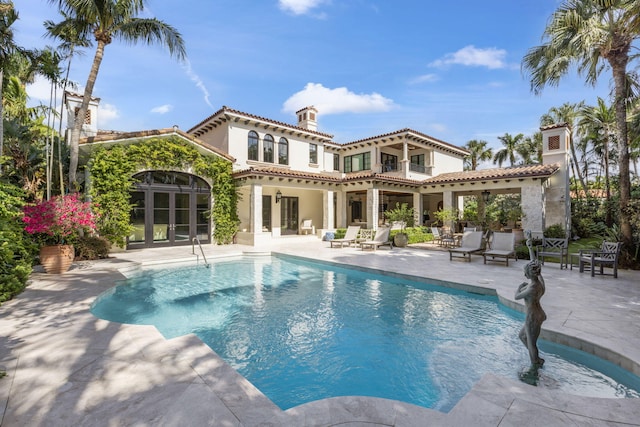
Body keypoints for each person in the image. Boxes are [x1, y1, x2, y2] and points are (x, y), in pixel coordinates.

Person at [515, 260, 546, 367]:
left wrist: (519, 287)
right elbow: (535, 262)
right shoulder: (540, 283)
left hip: (532, 316)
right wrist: (530, 248)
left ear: (530, 273)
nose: (524, 274)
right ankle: (536, 357)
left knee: (531, 343)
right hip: (539, 313)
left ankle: (535, 364)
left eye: (526, 272)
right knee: (522, 336)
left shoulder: (532, 288)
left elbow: (516, 296)